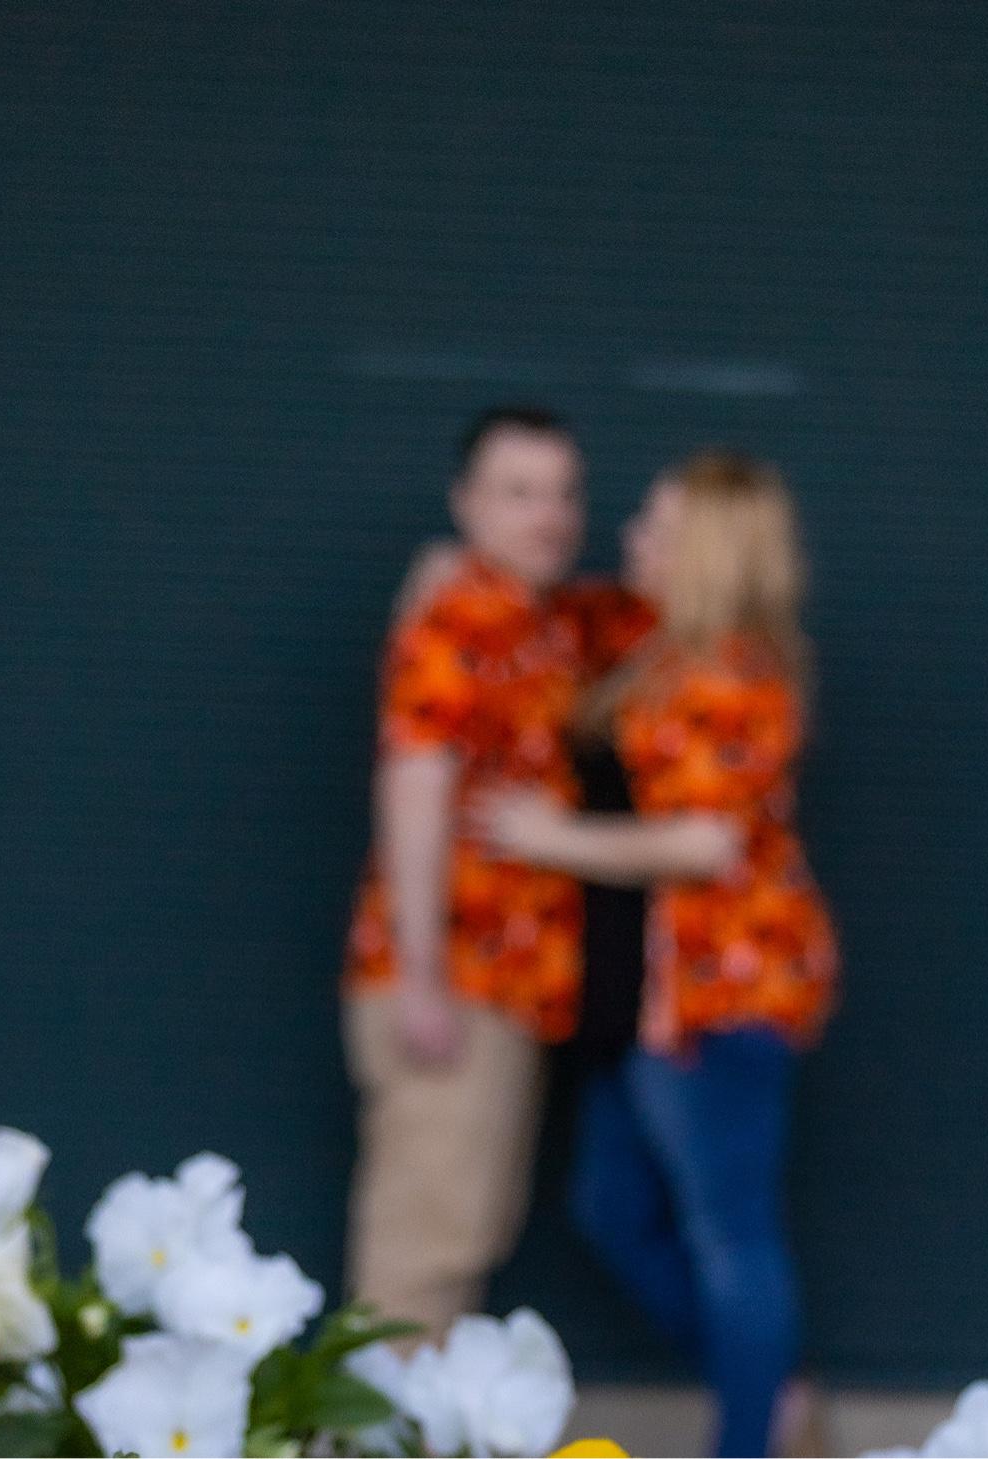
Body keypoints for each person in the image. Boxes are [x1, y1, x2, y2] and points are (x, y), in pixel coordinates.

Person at [474, 451, 839, 1458]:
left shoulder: (732, 671)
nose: (631, 538)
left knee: (731, 1236)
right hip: (652, 996)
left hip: (722, 994)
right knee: (613, 1209)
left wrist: (549, 837)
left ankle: (749, 1436)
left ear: (707, 550)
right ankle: (775, 1391)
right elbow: (553, 610)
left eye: (658, 527)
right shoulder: (661, 650)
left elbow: (706, 842)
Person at [341, 405, 592, 1338]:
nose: (549, 515)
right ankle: (374, 1420)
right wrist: (422, 978)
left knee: (465, 1226)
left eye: (563, 492)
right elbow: (414, 790)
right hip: (452, 973)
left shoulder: (542, 624)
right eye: (519, 492)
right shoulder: (454, 623)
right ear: (466, 503)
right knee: (423, 1246)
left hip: (509, 979)